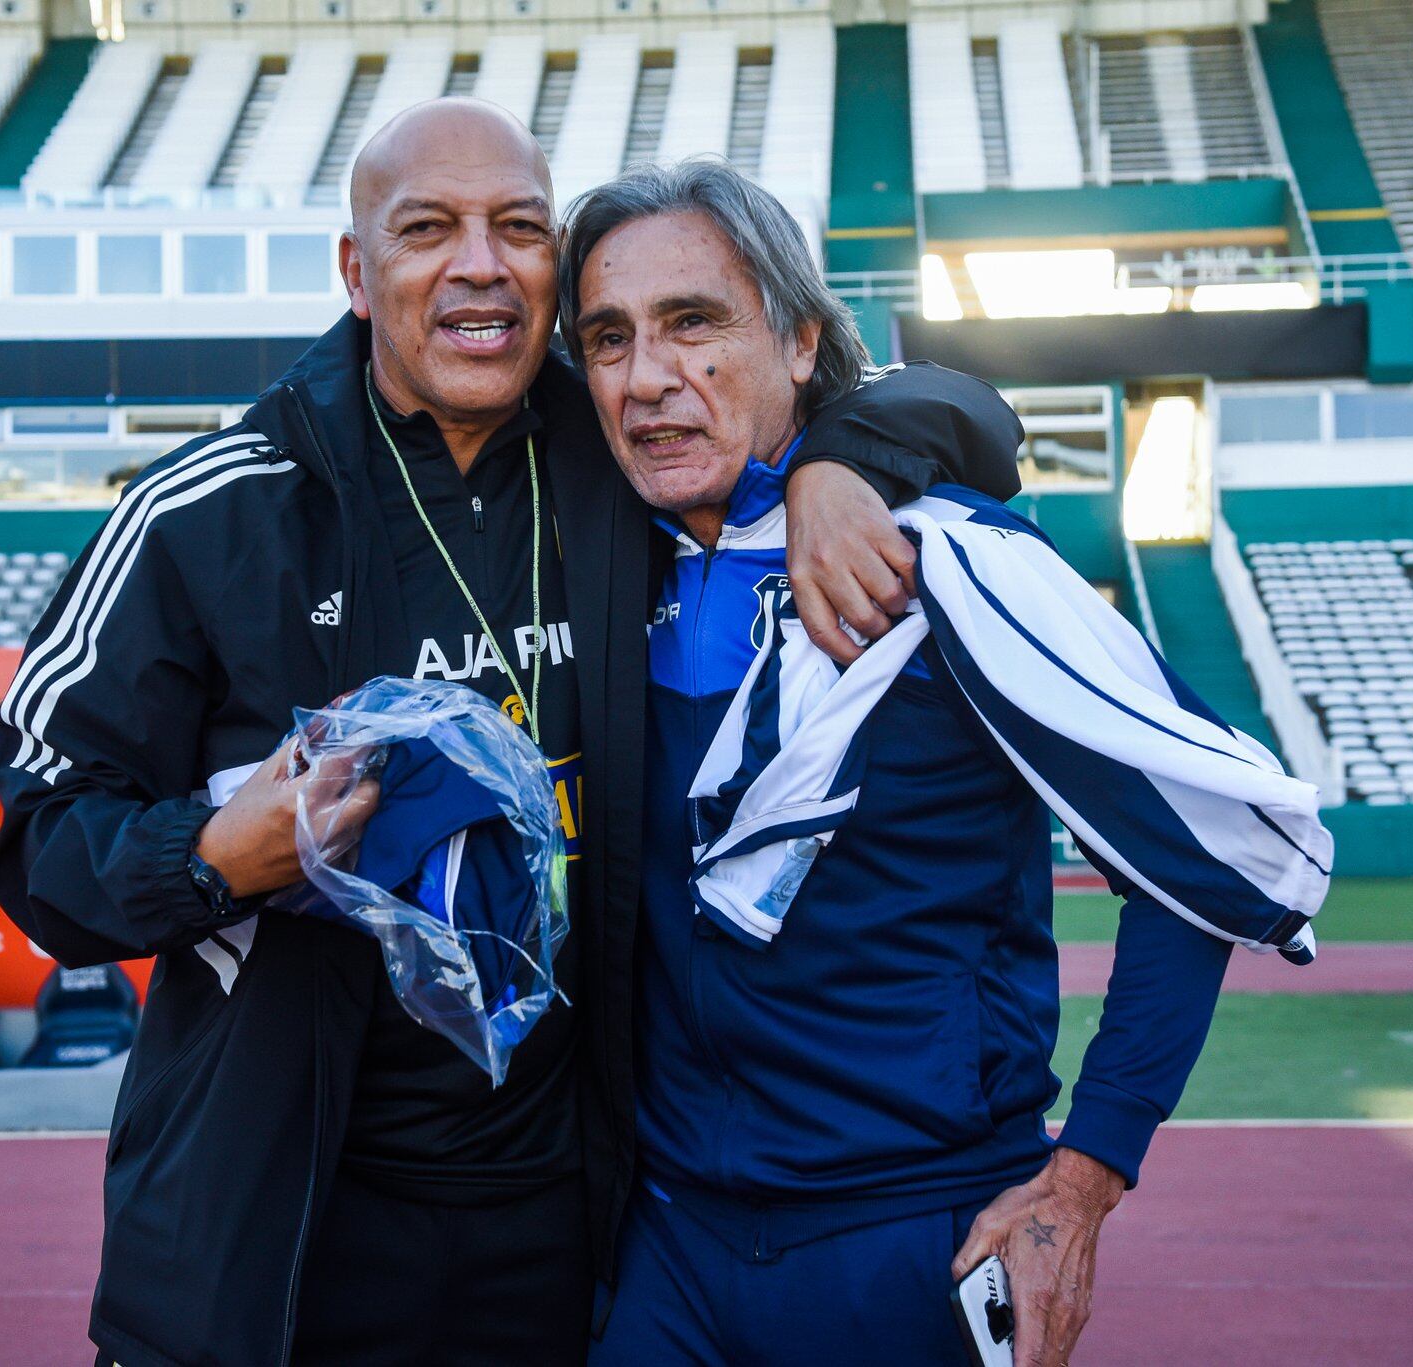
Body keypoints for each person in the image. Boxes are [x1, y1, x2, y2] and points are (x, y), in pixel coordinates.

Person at [0, 102, 1013, 1367]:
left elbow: (948, 398)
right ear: (359, 274)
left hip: (565, 1228)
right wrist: (208, 853)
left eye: (518, 228)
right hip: (279, 1239)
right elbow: (39, 841)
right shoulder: (212, 513)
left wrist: (837, 462)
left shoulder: (617, 451)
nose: (480, 262)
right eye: (428, 229)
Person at [559, 159, 1332, 1367]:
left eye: (694, 323)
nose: (648, 376)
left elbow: (1207, 846)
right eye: (608, 339)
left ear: (800, 339)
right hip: (661, 1247)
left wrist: (1085, 1175)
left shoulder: (955, 564)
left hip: (910, 1242)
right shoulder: (594, 573)